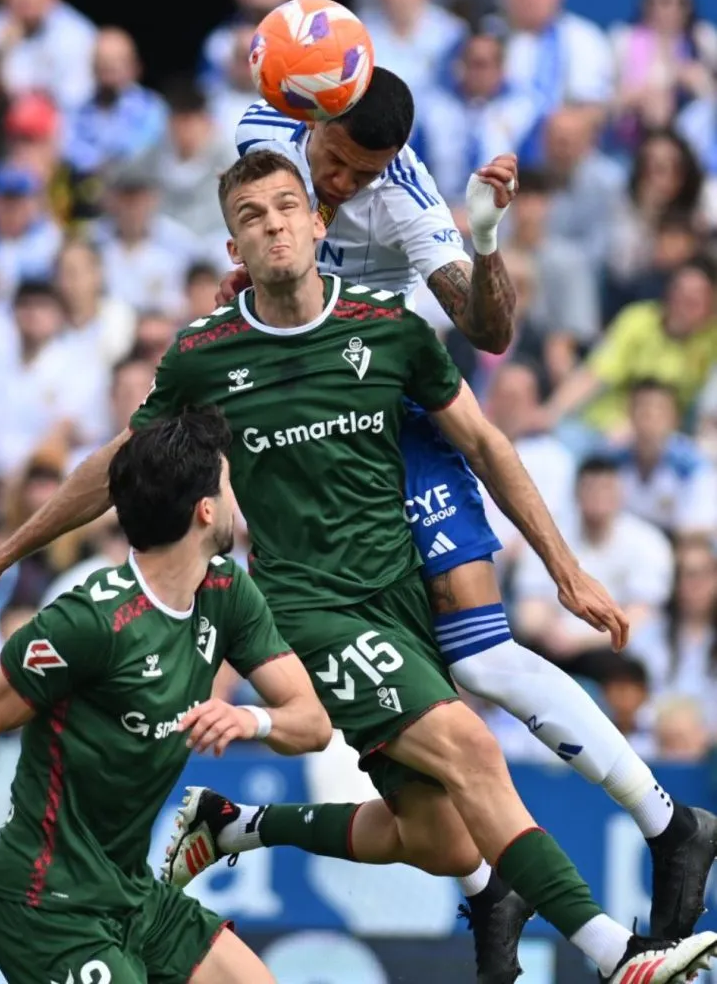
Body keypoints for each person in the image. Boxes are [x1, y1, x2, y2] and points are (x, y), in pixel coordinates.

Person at [0, 150, 717, 984]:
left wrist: (564, 569)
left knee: (439, 837)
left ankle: (234, 824)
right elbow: (117, 463)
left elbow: (486, 444)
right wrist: (6, 552)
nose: (272, 224)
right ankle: (615, 954)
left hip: (400, 607)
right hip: (306, 612)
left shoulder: (388, 331)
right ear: (235, 246)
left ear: (317, 223)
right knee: (470, 752)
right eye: (251, 216)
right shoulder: (204, 355)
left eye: (286, 208)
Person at [228, 66, 717, 942]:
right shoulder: (267, 125)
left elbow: (489, 336)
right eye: (335, 163)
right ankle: (500, 884)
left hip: (393, 421)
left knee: (481, 663)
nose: (341, 185)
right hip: (302, 443)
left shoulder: (406, 202)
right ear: (315, 122)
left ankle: (665, 826)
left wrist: (482, 241)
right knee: (426, 777)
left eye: (363, 173)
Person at [0, 409, 331, 982]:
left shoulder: (228, 593)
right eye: (228, 486)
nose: (235, 500)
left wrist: (249, 719)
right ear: (206, 511)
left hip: (132, 894)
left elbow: (312, 724)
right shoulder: (90, 621)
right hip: (45, 904)